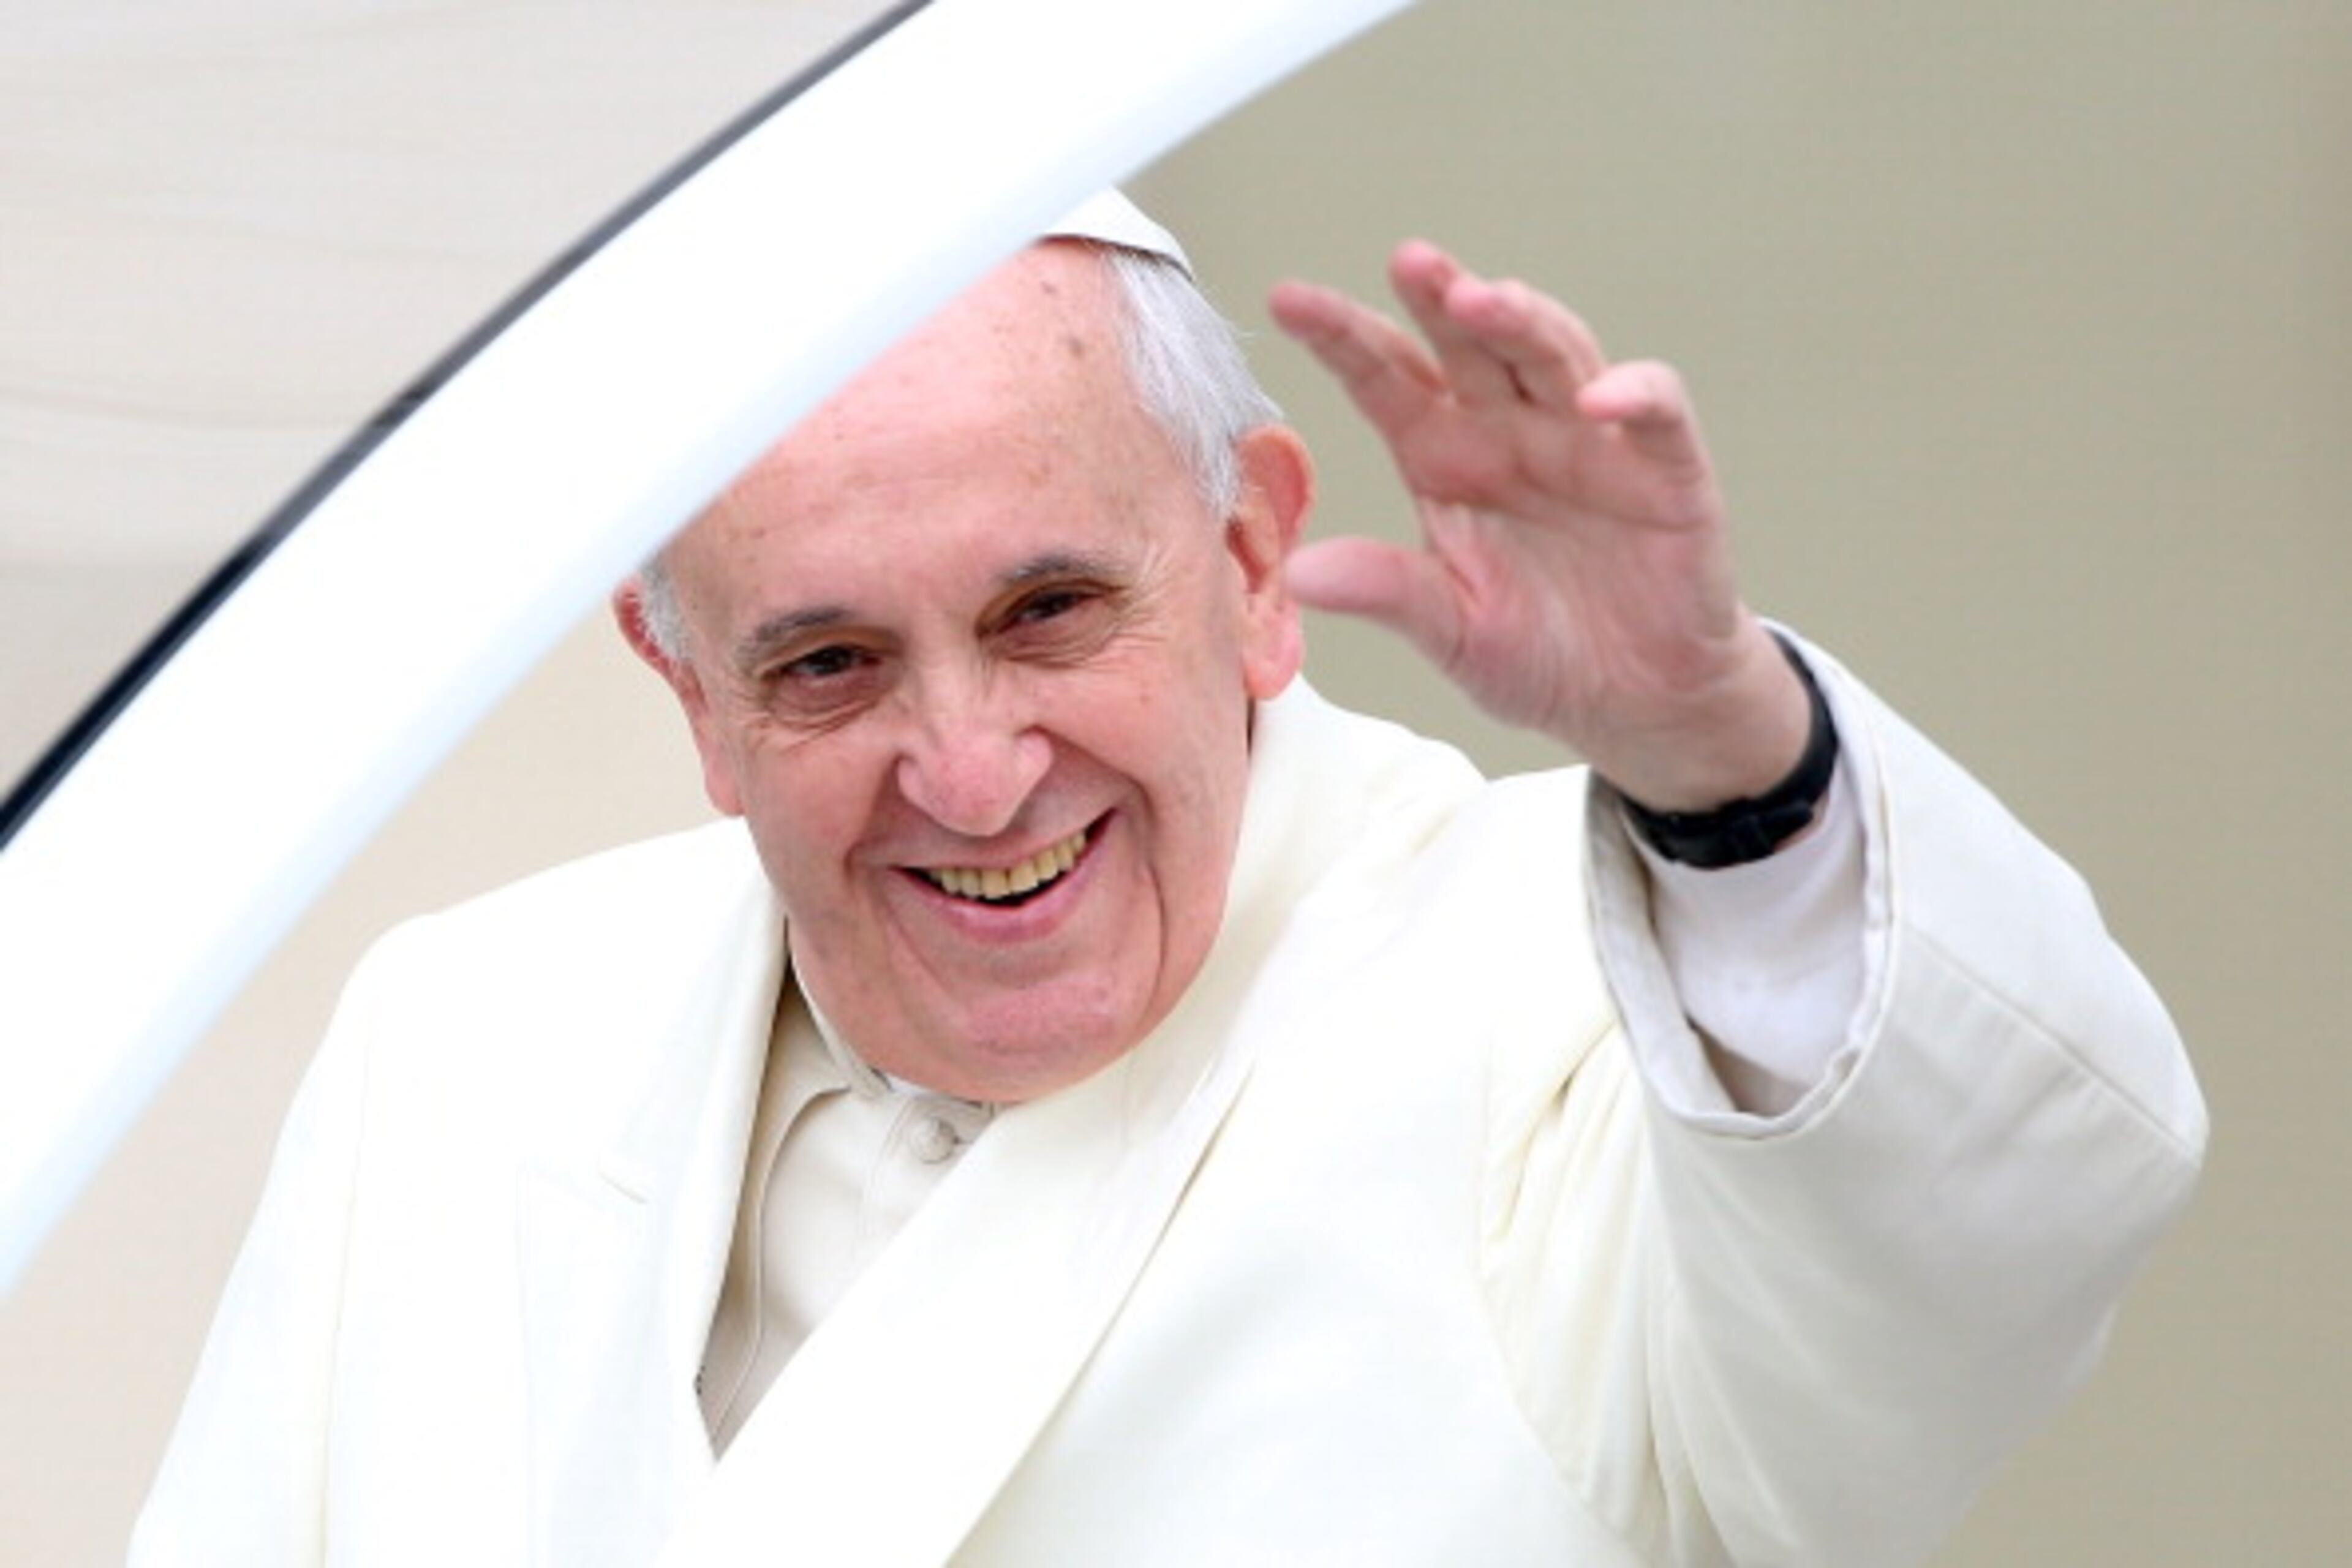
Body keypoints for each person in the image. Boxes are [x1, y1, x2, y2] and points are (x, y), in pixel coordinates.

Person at [133, 193, 2204, 1567]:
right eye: (828, 662)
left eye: (1048, 611)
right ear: (688, 689)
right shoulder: (462, 1035)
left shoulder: (1567, 998)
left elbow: (1980, 1263)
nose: (967, 767)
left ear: (1243, 560)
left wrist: (1723, 765)